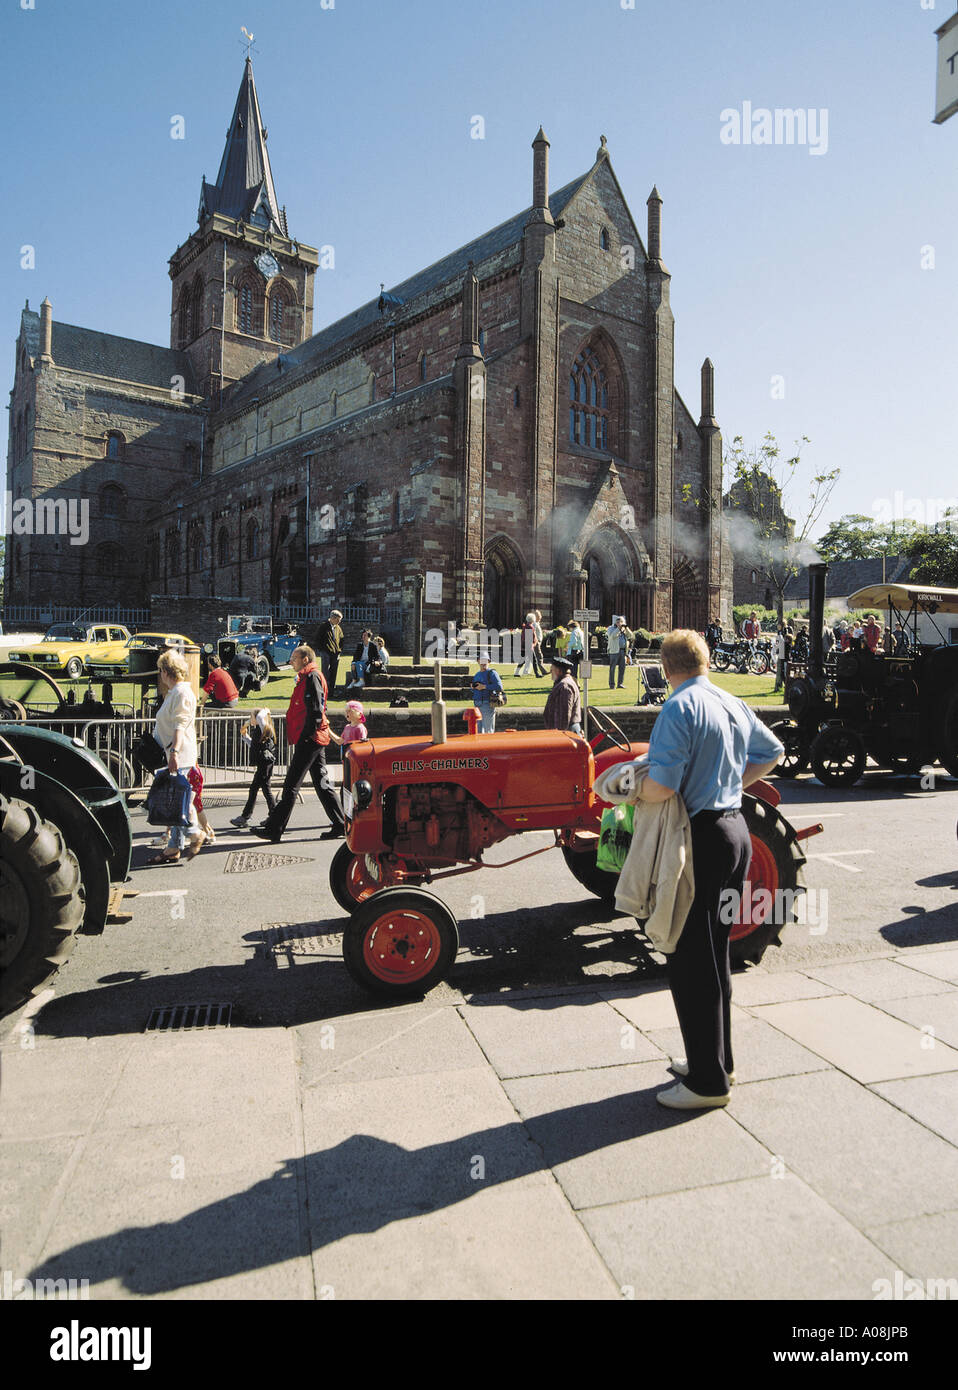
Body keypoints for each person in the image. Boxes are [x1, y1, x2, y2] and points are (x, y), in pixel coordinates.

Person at [633, 630, 783, 1109]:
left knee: (690, 956)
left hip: (699, 836)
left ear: (665, 666)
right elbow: (773, 752)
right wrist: (735, 783)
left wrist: (627, 790)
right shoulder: (730, 701)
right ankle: (719, 1062)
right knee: (715, 953)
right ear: (706, 660)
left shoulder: (679, 707)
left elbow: (661, 784)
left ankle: (706, 1084)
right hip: (736, 832)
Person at [253, 645, 345, 842]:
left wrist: (305, 736)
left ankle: (274, 828)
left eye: (294, 658)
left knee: (291, 785)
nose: (291, 661)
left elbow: (316, 710)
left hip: (310, 739)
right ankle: (340, 824)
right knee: (322, 784)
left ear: (305, 659)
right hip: (314, 738)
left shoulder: (312, 676)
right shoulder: (309, 676)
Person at [148, 649, 206, 863]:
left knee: (177, 799)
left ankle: (195, 833)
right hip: (175, 751)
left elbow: (180, 726)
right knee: (177, 798)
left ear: (165, 671)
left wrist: (174, 752)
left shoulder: (182, 693)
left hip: (179, 753)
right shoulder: (175, 693)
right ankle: (174, 848)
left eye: (160, 670)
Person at [231, 708, 277, 828]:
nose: (250, 719)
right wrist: (245, 735)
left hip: (265, 764)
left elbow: (260, 717)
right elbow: (255, 745)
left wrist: (265, 710)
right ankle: (273, 816)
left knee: (260, 790)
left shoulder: (265, 727)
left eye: (251, 716)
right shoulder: (259, 729)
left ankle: (246, 817)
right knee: (261, 790)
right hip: (263, 763)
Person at [543, 657, 582, 734]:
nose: (551, 672)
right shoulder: (565, 683)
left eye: (552, 670)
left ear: (558, 671)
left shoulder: (565, 686)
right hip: (567, 731)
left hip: (566, 733)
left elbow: (564, 716)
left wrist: (559, 735)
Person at [311, 609, 344, 696]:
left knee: (334, 672)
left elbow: (341, 639)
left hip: (335, 653)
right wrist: (322, 650)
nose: (339, 621)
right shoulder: (323, 626)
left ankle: (331, 692)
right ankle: (324, 691)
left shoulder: (338, 628)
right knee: (325, 672)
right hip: (325, 652)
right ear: (333, 617)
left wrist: (339, 650)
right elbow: (317, 639)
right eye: (338, 619)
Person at [470, 653, 504, 733]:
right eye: (482, 660)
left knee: (488, 731)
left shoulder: (492, 673)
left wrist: (484, 687)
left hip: (487, 704)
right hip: (477, 705)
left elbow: (499, 687)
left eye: (486, 660)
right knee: (478, 731)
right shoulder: (477, 674)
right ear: (478, 661)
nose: (483, 663)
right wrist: (473, 687)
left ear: (489, 662)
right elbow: (475, 689)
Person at [605, 616, 635, 690]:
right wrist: (618, 629)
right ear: (615, 622)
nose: (619, 623)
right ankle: (612, 684)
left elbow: (631, 636)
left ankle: (620, 683)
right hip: (614, 651)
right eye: (618, 622)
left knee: (622, 668)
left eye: (621, 622)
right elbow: (612, 636)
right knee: (612, 668)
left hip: (623, 651)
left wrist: (626, 628)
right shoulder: (611, 628)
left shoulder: (624, 629)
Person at [514, 613, 540, 678]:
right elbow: (531, 637)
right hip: (528, 646)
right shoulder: (530, 627)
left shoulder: (525, 626)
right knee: (534, 661)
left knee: (522, 660)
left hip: (524, 646)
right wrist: (533, 643)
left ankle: (516, 673)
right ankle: (537, 674)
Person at [772, 621, 788, 693]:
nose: (778, 626)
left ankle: (783, 684)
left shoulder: (785, 631)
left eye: (779, 625)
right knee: (780, 668)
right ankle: (780, 684)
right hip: (781, 651)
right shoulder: (779, 632)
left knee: (783, 669)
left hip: (784, 652)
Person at [531, 611, 547, 678]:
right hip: (536, 642)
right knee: (539, 657)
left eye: (540, 615)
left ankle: (520, 671)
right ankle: (543, 671)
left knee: (534, 657)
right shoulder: (534, 624)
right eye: (539, 615)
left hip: (538, 642)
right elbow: (533, 633)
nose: (540, 617)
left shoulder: (537, 623)